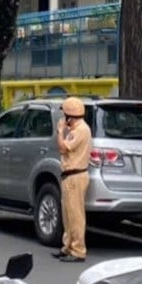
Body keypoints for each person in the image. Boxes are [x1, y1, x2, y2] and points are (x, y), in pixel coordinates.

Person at [53, 97, 92, 263]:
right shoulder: (76, 130)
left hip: (76, 175)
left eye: (65, 116)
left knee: (76, 215)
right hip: (70, 176)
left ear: (70, 116)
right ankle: (67, 246)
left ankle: (78, 250)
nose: (63, 119)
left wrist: (60, 131)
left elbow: (62, 148)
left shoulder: (81, 130)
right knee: (67, 214)